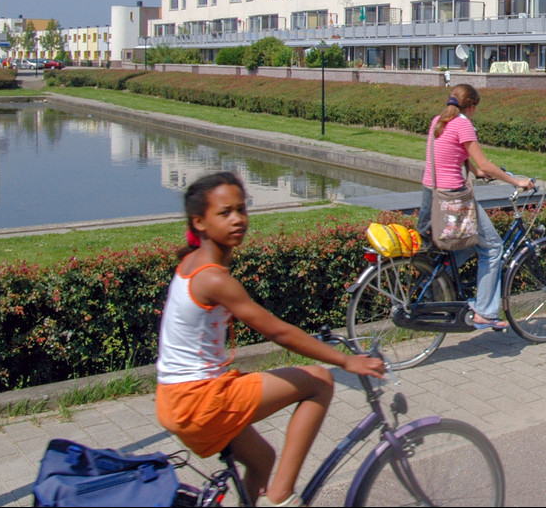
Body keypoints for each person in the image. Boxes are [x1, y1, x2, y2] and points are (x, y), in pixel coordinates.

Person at [155, 171, 383, 508]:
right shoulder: (213, 279)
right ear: (199, 222)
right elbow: (277, 331)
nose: (238, 220)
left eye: (242, 210)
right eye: (225, 213)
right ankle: (282, 499)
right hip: (198, 399)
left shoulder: (192, 261)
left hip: (175, 400)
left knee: (261, 460)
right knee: (319, 380)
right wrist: (347, 360)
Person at [419, 84, 531, 330]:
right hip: (454, 200)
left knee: (471, 240)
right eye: (475, 109)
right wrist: (515, 181)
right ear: (470, 107)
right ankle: (485, 312)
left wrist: (475, 171)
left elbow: (454, 155)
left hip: (431, 195)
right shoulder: (463, 124)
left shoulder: (438, 121)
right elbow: (485, 163)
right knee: (492, 246)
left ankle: (439, 278)